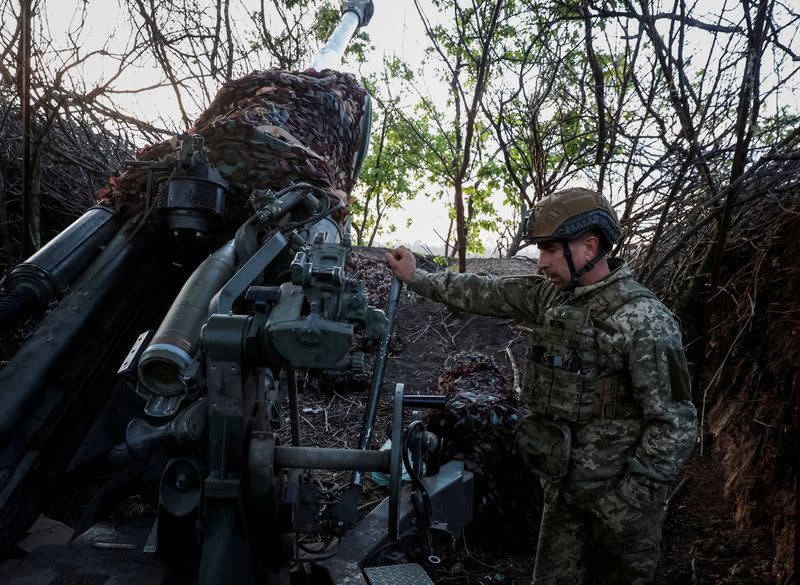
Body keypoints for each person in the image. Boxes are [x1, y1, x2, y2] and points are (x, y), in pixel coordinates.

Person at [384, 187, 697, 585]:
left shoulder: (644, 320)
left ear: (588, 246)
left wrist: (629, 500)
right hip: (563, 496)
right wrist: (416, 276)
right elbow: (483, 291)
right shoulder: (550, 296)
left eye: (549, 250)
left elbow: (675, 424)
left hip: (623, 510)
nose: (541, 262)